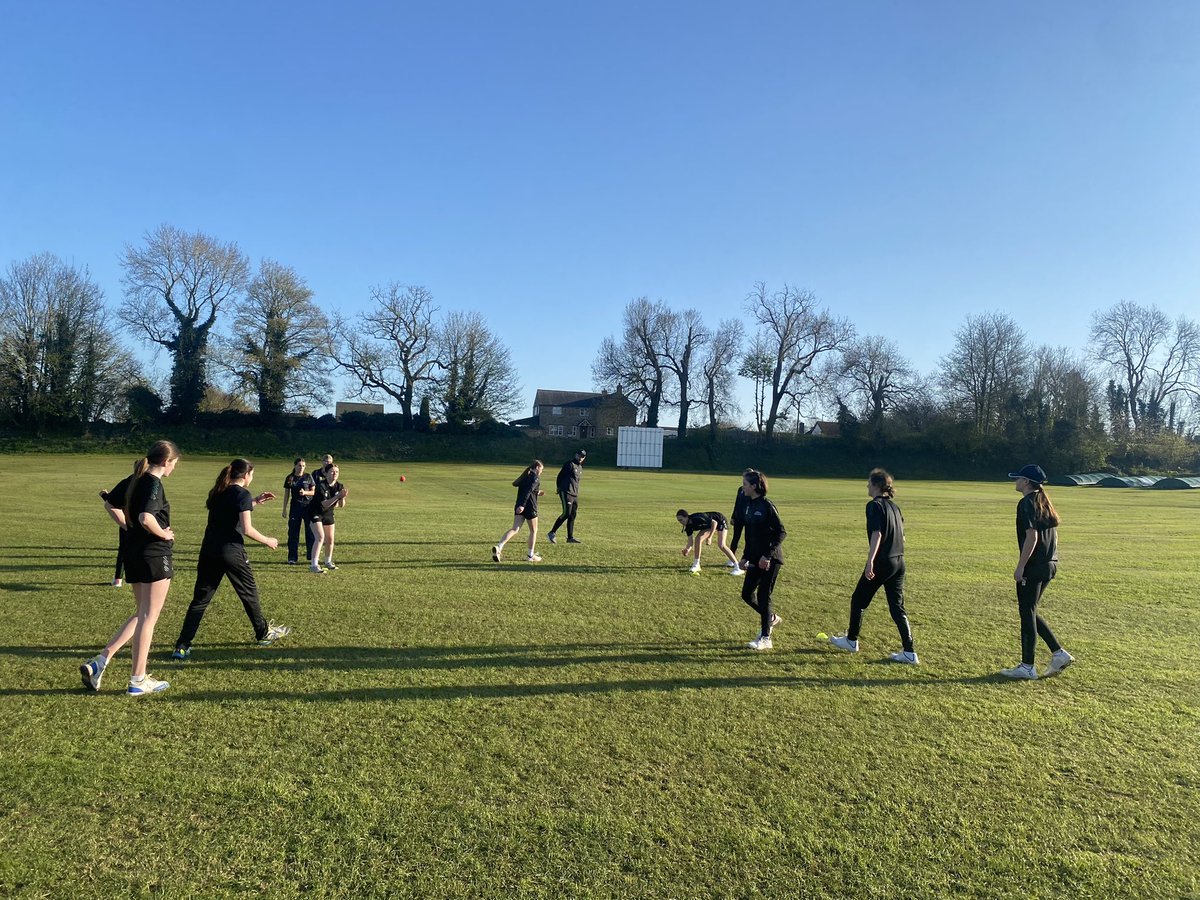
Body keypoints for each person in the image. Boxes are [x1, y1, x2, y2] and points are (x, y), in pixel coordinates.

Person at [79, 440, 181, 696]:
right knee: (149, 617)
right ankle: (138, 679)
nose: (174, 468)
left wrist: (128, 527)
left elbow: (110, 504)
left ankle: (100, 661)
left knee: (141, 613)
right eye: (175, 464)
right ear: (167, 462)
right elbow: (146, 517)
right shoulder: (154, 483)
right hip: (154, 555)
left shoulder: (134, 478)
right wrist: (164, 535)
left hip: (133, 554)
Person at [172, 459, 292, 659]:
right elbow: (247, 529)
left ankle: (182, 646)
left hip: (209, 551)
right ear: (246, 476)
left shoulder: (220, 491)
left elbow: (230, 511)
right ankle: (263, 633)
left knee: (200, 600)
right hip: (232, 552)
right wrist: (268, 540)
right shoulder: (242, 493)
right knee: (249, 593)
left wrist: (255, 501)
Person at [828, 469, 917, 663]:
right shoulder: (894, 507)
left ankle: (851, 641)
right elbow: (902, 536)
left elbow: (877, 534)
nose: (867, 486)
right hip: (899, 561)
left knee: (858, 600)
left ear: (877, 485)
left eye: (869, 483)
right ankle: (910, 652)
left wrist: (871, 561)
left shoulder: (874, 506)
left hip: (883, 562)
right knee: (897, 608)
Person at [1001, 464, 1074, 680]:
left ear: (1026, 482)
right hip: (1050, 564)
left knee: (1027, 613)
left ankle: (1027, 666)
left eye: (1018, 478)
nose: (1015, 482)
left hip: (1034, 566)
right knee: (1030, 611)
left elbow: (1031, 537)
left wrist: (1021, 566)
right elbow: (1054, 536)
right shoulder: (1044, 503)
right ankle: (1059, 654)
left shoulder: (1026, 503)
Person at [738, 469, 786, 651]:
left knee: (764, 596)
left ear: (754, 486)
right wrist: (744, 557)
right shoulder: (748, 505)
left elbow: (781, 532)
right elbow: (750, 536)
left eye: (745, 484)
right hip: (755, 559)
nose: (742, 487)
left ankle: (766, 638)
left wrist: (767, 555)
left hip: (770, 560)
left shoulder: (767, 506)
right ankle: (771, 619)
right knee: (747, 594)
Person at [492, 460, 544, 563]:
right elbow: (528, 492)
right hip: (529, 507)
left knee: (515, 529)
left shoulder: (526, 476)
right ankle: (530, 555)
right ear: (537, 467)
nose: (542, 471)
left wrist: (537, 493)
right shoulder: (535, 478)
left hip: (519, 506)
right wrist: (523, 505)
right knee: (534, 531)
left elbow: (528, 490)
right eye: (542, 469)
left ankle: (499, 546)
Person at [676, 509, 742, 575]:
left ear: (686, 516)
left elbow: (714, 523)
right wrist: (687, 549)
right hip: (709, 525)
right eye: (678, 520)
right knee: (698, 539)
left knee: (721, 545)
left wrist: (710, 537)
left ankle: (737, 567)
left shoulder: (697, 518)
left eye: (681, 520)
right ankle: (696, 565)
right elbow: (690, 542)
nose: (680, 522)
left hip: (720, 520)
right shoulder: (688, 526)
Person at [99, 470, 135, 587]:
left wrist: (104, 495)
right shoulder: (150, 483)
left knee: (123, 550)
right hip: (144, 521)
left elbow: (113, 501)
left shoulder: (127, 482)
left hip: (126, 520)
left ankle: (118, 579)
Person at [280, 457, 315, 564]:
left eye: (303, 466)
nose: (301, 468)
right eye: (299, 465)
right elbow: (286, 494)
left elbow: (313, 492)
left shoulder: (308, 477)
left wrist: (305, 493)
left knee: (310, 532)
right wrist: (284, 509)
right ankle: (292, 558)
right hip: (295, 508)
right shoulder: (290, 478)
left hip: (308, 507)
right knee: (293, 533)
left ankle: (311, 556)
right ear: (295, 466)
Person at [547, 450, 586, 544]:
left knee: (572, 515)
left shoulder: (580, 467)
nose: (580, 458)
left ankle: (570, 537)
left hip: (574, 494)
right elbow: (560, 476)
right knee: (566, 513)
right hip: (566, 492)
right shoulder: (569, 464)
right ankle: (552, 533)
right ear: (575, 455)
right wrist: (558, 488)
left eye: (583, 456)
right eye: (579, 455)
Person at [314, 463, 347, 570]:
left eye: (337, 472)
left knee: (330, 539)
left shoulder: (339, 486)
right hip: (316, 512)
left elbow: (341, 505)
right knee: (320, 537)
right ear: (326, 473)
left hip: (328, 513)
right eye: (332, 471)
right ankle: (314, 565)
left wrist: (342, 498)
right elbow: (324, 504)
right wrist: (338, 496)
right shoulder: (321, 485)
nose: (334, 474)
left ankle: (328, 561)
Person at [728, 468, 754, 568]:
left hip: (748, 518)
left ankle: (746, 559)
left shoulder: (752, 489)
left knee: (749, 539)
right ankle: (731, 558)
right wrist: (733, 516)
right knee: (735, 538)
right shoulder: (740, 489)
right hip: (739, 517)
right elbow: (737, 503)